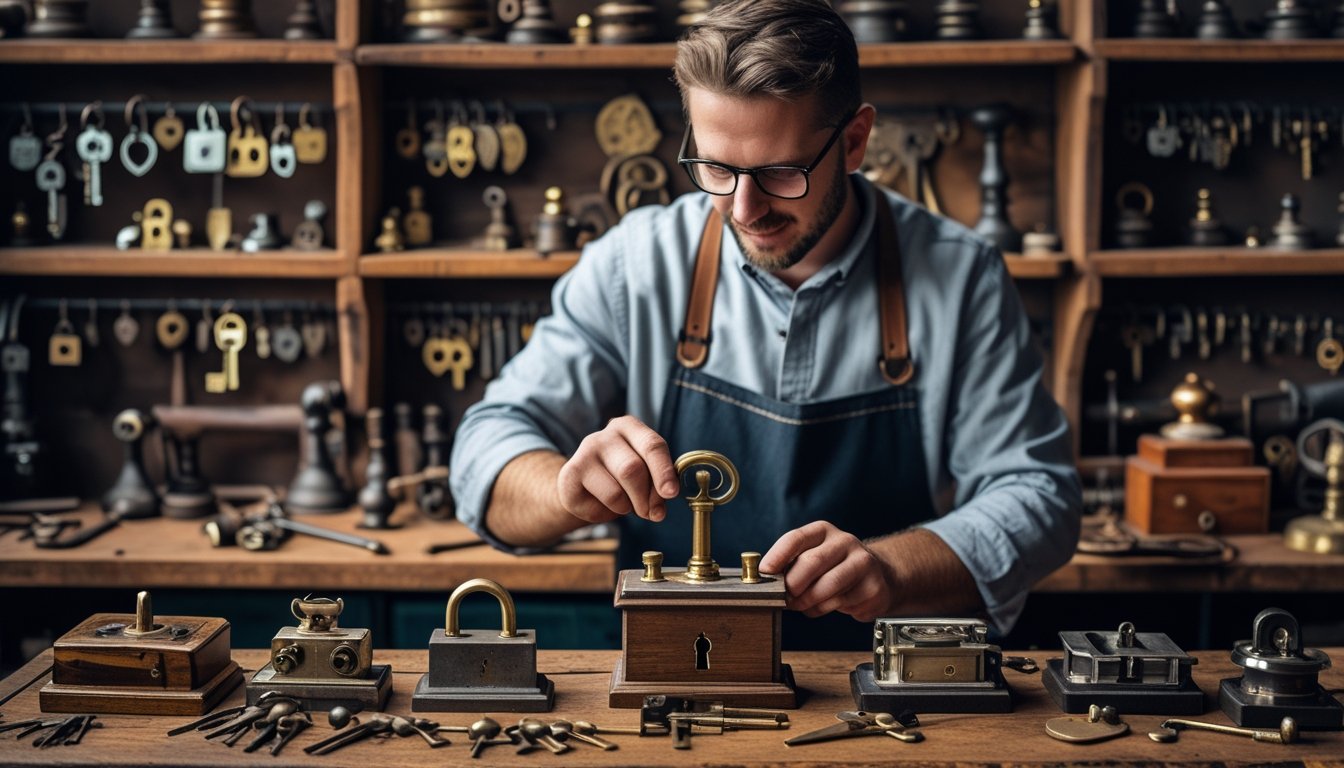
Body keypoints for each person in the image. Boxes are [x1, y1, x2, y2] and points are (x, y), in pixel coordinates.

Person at [450, 0, 1080, 640]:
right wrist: (564, 490)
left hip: (883, 688)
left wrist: (891, 567)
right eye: (717, 168)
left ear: (855, 141)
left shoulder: (962, 277)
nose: (745, 209)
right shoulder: (633, 264)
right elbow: (485, 452)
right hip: (675, 678)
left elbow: (1039, 496)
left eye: (782, 173)